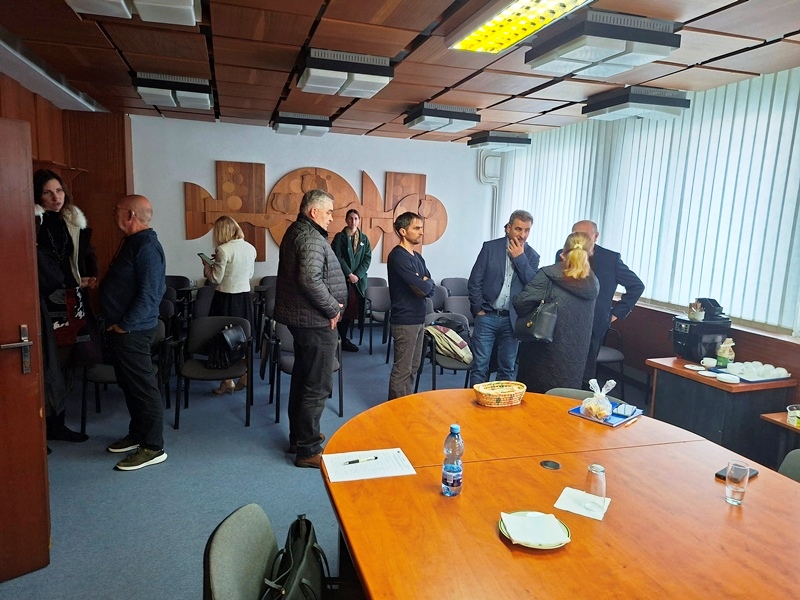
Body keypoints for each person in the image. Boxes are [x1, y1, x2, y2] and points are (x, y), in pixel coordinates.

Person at [274, 189, 347, 469]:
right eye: (328, 212)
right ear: (314, 211)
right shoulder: (310, 237)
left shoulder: (300, 231)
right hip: (315, 322)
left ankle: (300, 437)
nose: (331, 218)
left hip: (304, 319)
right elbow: (310, 279)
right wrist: (332, 309)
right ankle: (308, 449)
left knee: (304, 378)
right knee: (317, 384)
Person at [99, 194, 167, 471]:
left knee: (143, 389)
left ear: (130, 215)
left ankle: (153, 447)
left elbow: (151, 295)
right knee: (130, 387)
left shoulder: (147, 247)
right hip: (123, 330)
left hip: (133, 331)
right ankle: (138, 434)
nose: (113, 213)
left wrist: (124, 325)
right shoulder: (132, 242)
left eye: (116, 210)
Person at [34, 168, 96, 444]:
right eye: (47, 192)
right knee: (46, 366)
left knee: (66, 362)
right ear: (38, 196)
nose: (55, 197)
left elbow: (80, 257)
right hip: (45, 301)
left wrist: (87, 275)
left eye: (58, 190)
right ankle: (42, 429)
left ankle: (57, 423)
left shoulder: (70, 220)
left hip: (72, 298)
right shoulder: (34, 222)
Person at [514, 231, 599, 393]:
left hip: (543, 351)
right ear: (591, 252)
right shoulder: (593, 282)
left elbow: (521, 303)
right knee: (565, 398)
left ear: (564, 249)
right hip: (576, 354)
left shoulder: (548, 274)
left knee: (536, 399)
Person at [565, 220, 644, 382]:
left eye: (585, 236)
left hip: (595, 321)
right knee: (563, 366)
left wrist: (615, 314)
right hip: (566, 319)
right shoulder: (564, 253)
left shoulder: (610, 259)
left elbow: (636, 286)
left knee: (586, 371)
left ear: (596, 237)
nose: (580, 240)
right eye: (576, 235)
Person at [467, 210, 539, 386]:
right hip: (487, 315)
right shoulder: (490, 248)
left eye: (527, 230)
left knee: (507, 368)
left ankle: (502, 402)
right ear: (508, 228)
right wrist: (478, 309)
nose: (523, 235)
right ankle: (474, 403)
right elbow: (475, 280)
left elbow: (532, 286)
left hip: (512, 320)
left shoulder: (532, 256)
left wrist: (520, 258)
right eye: (518, 229)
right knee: (480, 366)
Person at [202, 215, 257, 394]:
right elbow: (249, 275)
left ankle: (227, 381)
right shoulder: (250, 248)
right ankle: (244, 374)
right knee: (241, 337)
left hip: (225, 298)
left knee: (222, 338)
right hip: (244, 298)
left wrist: (207, 265)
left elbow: (215, 279)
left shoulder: (223, 250)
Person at [387, 212, 435, 400]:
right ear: (402, 231)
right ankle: (395, 410)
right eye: (416, 228)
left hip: (419, 319)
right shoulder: (398, 256)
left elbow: (429, 286)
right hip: (404, 320)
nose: (421, 232)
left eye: (421, 228)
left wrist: (424, 282)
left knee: (413, 367)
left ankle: (405, 405)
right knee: (403, 369)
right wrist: (423, 282)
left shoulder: (418, 257)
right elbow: (420, 288)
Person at [331, 208, 372, 352]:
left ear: (359, 220)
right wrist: (349, 273)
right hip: (342, 279)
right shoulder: (339, 237)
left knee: (352, 310)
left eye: (355, 218)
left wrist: (357, 275)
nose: (353, 221)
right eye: (350, 218)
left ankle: (343, 338)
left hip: (357, 282)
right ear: (346, 220)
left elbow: (367, 259)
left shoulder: (364, 239)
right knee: (341, 309)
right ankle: (337, 339)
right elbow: (337, 256)